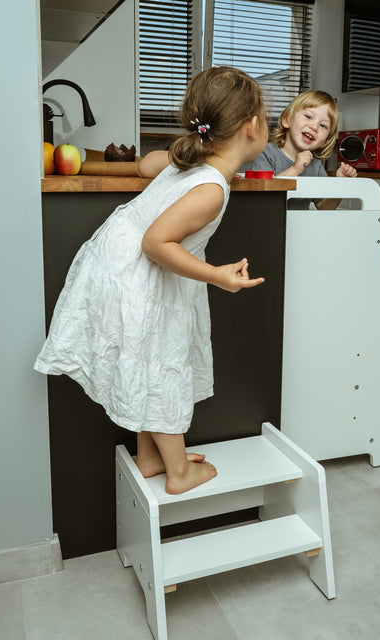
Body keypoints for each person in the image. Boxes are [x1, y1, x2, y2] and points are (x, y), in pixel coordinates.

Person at [35, 66, 269, 495]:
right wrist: (217, 275)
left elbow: (146, 164)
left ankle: (150, 458)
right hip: (144, 273)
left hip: (123, 265)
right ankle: (179, 472)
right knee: (164, 369)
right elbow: (157, 242)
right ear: (253, 126)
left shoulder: (191, 163)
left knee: (148, 362)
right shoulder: (211, 188)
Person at [242, 90, 357, 209]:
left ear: (325, 142)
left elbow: (324, 207)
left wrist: (340, 185)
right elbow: (261, 200)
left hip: (298, 227)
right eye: (308, 116)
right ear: (287, 120)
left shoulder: (316, 167)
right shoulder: (265, 153)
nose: (314, 127)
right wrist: (295, 170)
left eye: (323, 125)